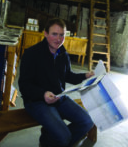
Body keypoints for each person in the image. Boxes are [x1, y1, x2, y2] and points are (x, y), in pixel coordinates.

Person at [18, 18, 95, 147]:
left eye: (62, 35)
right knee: (64, 136)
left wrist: (85, 76)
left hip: (59, 97)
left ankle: (49, 140)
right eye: (54, 34)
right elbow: (24, 85)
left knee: (87, 122)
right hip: (37, 101)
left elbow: (68, 76)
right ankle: (57, 140)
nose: (58, 39)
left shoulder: (62, 53)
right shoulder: (31, 54)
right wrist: (43, 94)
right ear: (46, 33)